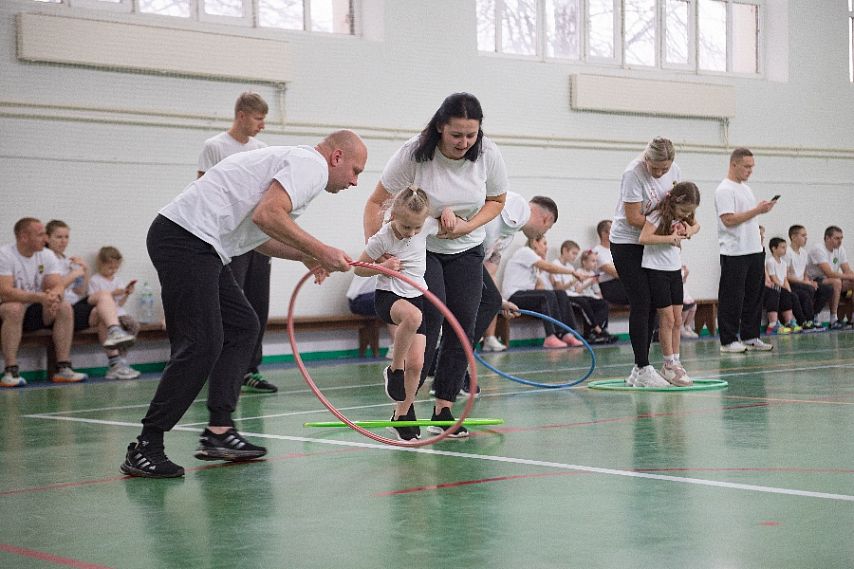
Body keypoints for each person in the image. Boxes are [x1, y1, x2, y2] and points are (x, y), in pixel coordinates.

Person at [121, 129, 367, 478]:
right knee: (202, 343)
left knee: (242, 326)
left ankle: (219, 432)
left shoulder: (295, 165)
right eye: (356, 171)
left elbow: (261, 235)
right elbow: (267, 216)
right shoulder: (310, 164)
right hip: (186, 238)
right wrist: (320, 250)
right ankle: (147, 445)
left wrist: (305, 257)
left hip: (199, 243)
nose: (355, 182)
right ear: (337, 157)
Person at [363, 93, 507, 438]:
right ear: (441, 127)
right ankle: (404, 409)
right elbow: (376, 201)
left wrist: (466, 226)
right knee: (429, 323)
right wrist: (380, 253)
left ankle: (444, 407)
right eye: (457, 134)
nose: (464, 142)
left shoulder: (488, 153)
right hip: (420, 251)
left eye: (471, 135)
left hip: (468, 248)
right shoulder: (414, 153)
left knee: (463, 326)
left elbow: (496, 201)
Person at [198, 92, 277, 393]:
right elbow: (204, 188)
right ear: (242, 115)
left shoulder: (262, 149)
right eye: (258, 118)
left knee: (259, 304)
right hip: (230, 240)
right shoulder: (215, 147)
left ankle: (250, 368)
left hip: (256, 235)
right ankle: (222, 366)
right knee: (233, 305)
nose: (262, 125)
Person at [355, 186, 445, 441]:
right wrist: (382, 267)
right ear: (394, 214)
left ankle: (401, 416)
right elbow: (359, 269)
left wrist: (449, 215)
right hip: (390, 297)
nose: (412, 233)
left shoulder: (424, 225)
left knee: (417, 365)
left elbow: (451, 227)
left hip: (418, 296)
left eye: (417, 228)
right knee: (413, 317)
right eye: (407, 227)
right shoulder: (382, 237)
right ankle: (394, 370)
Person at [610, 137, 693, 387]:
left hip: (655, 243)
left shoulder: (674, 172)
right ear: (646, 159)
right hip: (628, 242)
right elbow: (633, 217)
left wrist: (681, 224)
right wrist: (667, 228)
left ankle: (640, 368)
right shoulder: (633, 174)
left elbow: (678, 205)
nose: (659, 172)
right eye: (654, 167)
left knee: (655, 304)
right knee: (641, 301)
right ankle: (643, 366)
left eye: (664, 169)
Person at [0, 218, 88, 387]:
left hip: (33, 308)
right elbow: (5, 292)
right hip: (7, 311)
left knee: (64, 306)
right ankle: (10, 370)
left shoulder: (46, 255)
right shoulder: (5, 254)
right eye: (40, 235)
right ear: (24, 237)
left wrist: (54, 297)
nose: (45, 239)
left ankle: (63, 368)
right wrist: (41, 297)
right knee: (14, 308)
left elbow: (56, 285)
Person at [45, 221, 138, 380]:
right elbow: (54, 288)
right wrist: (74, 275)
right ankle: (115, 348)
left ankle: (115, 361)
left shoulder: (68, 261)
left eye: (66, 237)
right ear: (48, 238)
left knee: (102, 306)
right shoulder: (45, 258)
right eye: (58, 237)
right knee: (102, 298)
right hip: (57, 309)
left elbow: (80, 291)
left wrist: (84, 271)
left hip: (74, 305)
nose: (63, 241)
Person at [475, 192, 561, 357]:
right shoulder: (520, 205)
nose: (542, 234)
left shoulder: (508, 236)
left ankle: (455, 363)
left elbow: (489, 271)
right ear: (546, 220)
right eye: (547, 229)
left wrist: (501, 301)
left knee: (490, 301)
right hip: (458, 256)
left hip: (471, 265)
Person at [639, 181, 701, 386]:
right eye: (683, 209)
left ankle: (676, 361)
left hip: (674, 270)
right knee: (666, 318)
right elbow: (644, 237)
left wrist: (689, 232)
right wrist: (670, 238)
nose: (685, 215)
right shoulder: (658, 215)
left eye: (689, 212)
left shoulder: (682, 217)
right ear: (674, 201)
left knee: (677, 319)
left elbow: (697, 226)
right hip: (656, 270)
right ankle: (667, 364)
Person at [715, 147, 776, 353]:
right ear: (734, 164)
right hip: (735, 252)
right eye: (747, 166)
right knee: (732, 296)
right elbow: (729, 219)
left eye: (752, 167)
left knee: (754, 295)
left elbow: (746, 218)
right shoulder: (724, 189)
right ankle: (728, 340)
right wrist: (757, 210)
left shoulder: (745, 189)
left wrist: (757, 224)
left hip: (754, 249)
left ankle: (751, 335)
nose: (750, 170)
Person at [502, 236, 585, 349]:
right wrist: (572, 272)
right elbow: (549, 267)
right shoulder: (525, 251)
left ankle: (567, 333)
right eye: (544, 243)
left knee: (560, 294)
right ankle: (550, 337)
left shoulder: (533, 265)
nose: (547, 247)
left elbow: (539, 287)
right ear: (535, 242)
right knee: (547, 295)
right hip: (513, 296)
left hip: (525, 295)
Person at [88, 246, 144, 377]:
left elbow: (120, 304)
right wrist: (112, 293)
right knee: (109, 323)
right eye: (109, 268)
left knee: (134, 325)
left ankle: (122, 358)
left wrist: (126, 294)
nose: (113, 271)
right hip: (102, 314)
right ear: (100, 264)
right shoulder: (95, 280)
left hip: (119, 312)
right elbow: (93, 300)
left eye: (115, 268)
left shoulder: (117, 280)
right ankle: (117, 361)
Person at [551, 241, 615, 344]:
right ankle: (597, 329)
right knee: (583, 302)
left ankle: (593, 332)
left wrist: (584, 281)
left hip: (575, 294)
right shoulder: (555, 264)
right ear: (564, 251)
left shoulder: (571, 267)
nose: (575, 257)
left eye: (576, 254)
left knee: (602, 303)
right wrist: (576, 279)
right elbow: (559, 288)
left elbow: (577, 289)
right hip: (565, 296)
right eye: (573, 253)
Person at [805, 225, 854, 330]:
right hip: (814, 279)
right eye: (837, 238)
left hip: (829, 279)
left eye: (841, 238)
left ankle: (851, 319)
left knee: (850, 282)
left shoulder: (840, 249)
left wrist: (851, 276)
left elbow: (847, 270)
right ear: (827, 238)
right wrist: (848, 276)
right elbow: (829, 273)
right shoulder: (818, 249)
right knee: (836, 282)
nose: (840, 241)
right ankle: (833, 319)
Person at [786, 224, 831, 331]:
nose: (806, 238)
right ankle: (807, 320)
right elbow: (786, 275)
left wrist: (809, 281)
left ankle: (814, 316)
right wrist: (806, 283)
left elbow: (805, 272)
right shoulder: (787, 252)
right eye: (803, 235)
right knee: (808, 289)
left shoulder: (804, 252)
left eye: (806, 235)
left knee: (827, 289)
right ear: (793, 237)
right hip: (792, 283)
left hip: (802, 283)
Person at [346, 274, 398, 358]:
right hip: (359, 299)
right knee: (393, 301)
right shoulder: (390, 262)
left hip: (367, 297)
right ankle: (396, 347)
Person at [763, 237, 800, 335]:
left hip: (777, 285)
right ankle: (773, 325)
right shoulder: (770, 261)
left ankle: (789, 322)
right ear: (774, 249)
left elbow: (785, 279)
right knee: (776, 291)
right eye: (782, 247)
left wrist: (788, 290)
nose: (785, 249)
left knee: (788, 294)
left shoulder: (784, 263)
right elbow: (773, 279)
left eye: (785, 247)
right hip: (773, 286)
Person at [592, 219, 629, 306]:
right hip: (608, 286)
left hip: (622, 283)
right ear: (604, 233)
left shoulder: (618, 249)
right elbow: (615, 272)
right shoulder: (597, 251)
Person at [679, 265, 699, 338]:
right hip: (676, 294)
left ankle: (687, 325)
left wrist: (686, 275)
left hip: (683, 292)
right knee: (686, 306)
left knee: (693, 306)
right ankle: (681, 326)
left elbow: (683, 281)